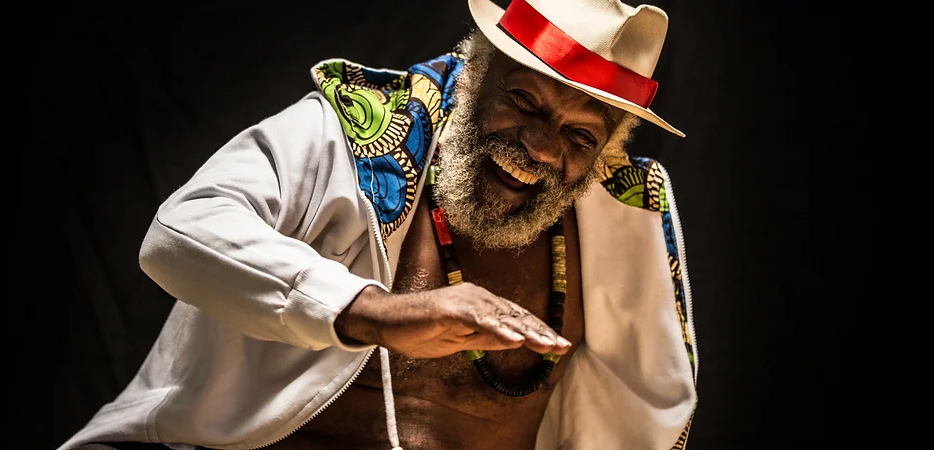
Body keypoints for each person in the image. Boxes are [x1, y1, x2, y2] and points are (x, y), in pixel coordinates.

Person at [58, 0, 699, 449]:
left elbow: (644, 413)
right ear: (474, 77)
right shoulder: (358, 129)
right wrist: (371, 312)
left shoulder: (625, 226)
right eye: (524, 100)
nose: (538, 148)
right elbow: (182, 231)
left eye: (579, 136)